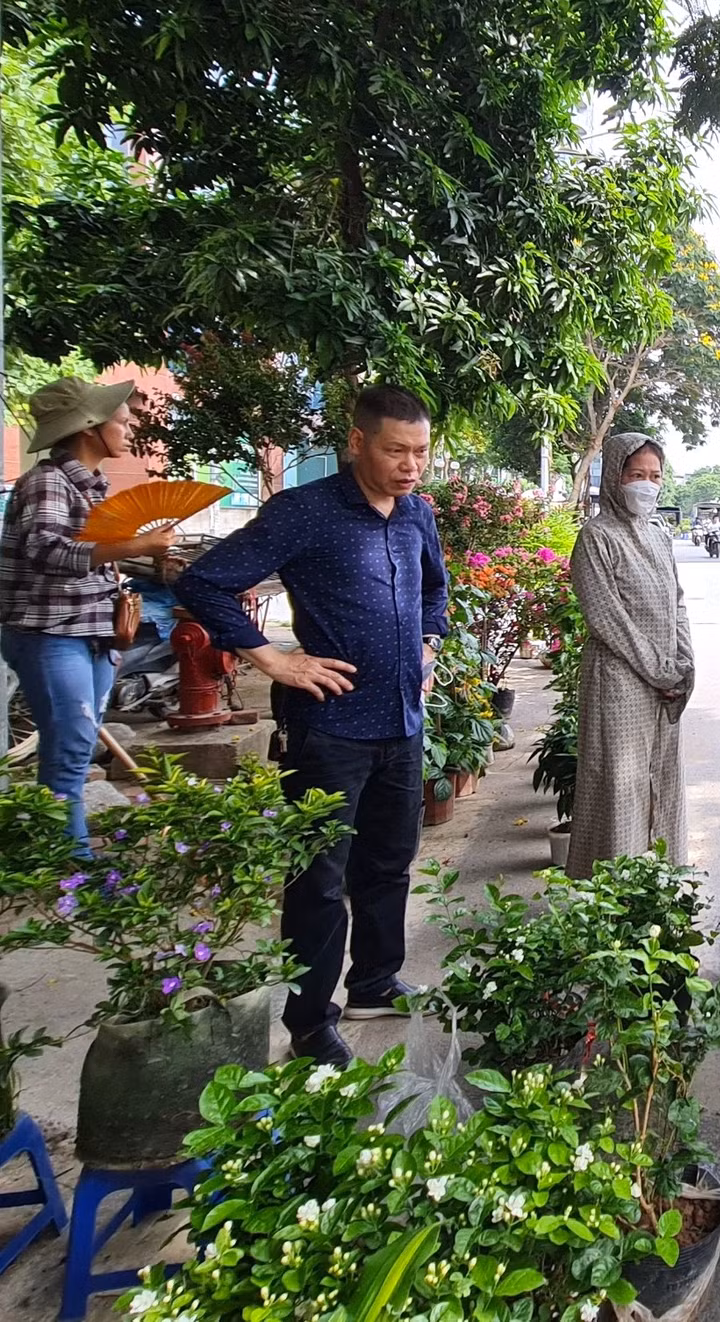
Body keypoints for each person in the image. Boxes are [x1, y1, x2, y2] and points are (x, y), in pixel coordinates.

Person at [176, 384, 446, 1065]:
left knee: (388, 863)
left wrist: (428, 645)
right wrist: (272, 659)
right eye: (396, 451)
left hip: (401, 721)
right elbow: (203, 581)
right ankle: (309, 1022)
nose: (411, 466)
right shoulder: (304, 511)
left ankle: (375, 983)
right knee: (320, 879)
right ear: (357, 443)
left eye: (420, 452)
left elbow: (434, 590)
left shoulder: (416, 514)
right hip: (329, 729)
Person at [0, 378, 176, 844]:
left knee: (76, 748)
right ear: (89, 427)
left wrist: (143, 555)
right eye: (122, 421)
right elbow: (46, 550)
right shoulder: (46, 482)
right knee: (72, 747)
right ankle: (69, 862)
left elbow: (94, 554)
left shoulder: (91, 486)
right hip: (50, 632)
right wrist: (135, 545)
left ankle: (63, 853)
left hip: (94, 633)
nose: (130, 430)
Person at [566, 431, 694, 879]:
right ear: (614, 477)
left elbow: (677, 603)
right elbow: (607, 618)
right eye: (636, 474)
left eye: (655, 476)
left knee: (664, 781)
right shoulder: (596, 537)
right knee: (620, 787)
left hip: (664, 686)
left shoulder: (659, 534)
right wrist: (661, 670)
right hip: (618, 683)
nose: (647, 484)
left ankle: (661, 886)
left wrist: (683, 665)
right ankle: (614, 896)